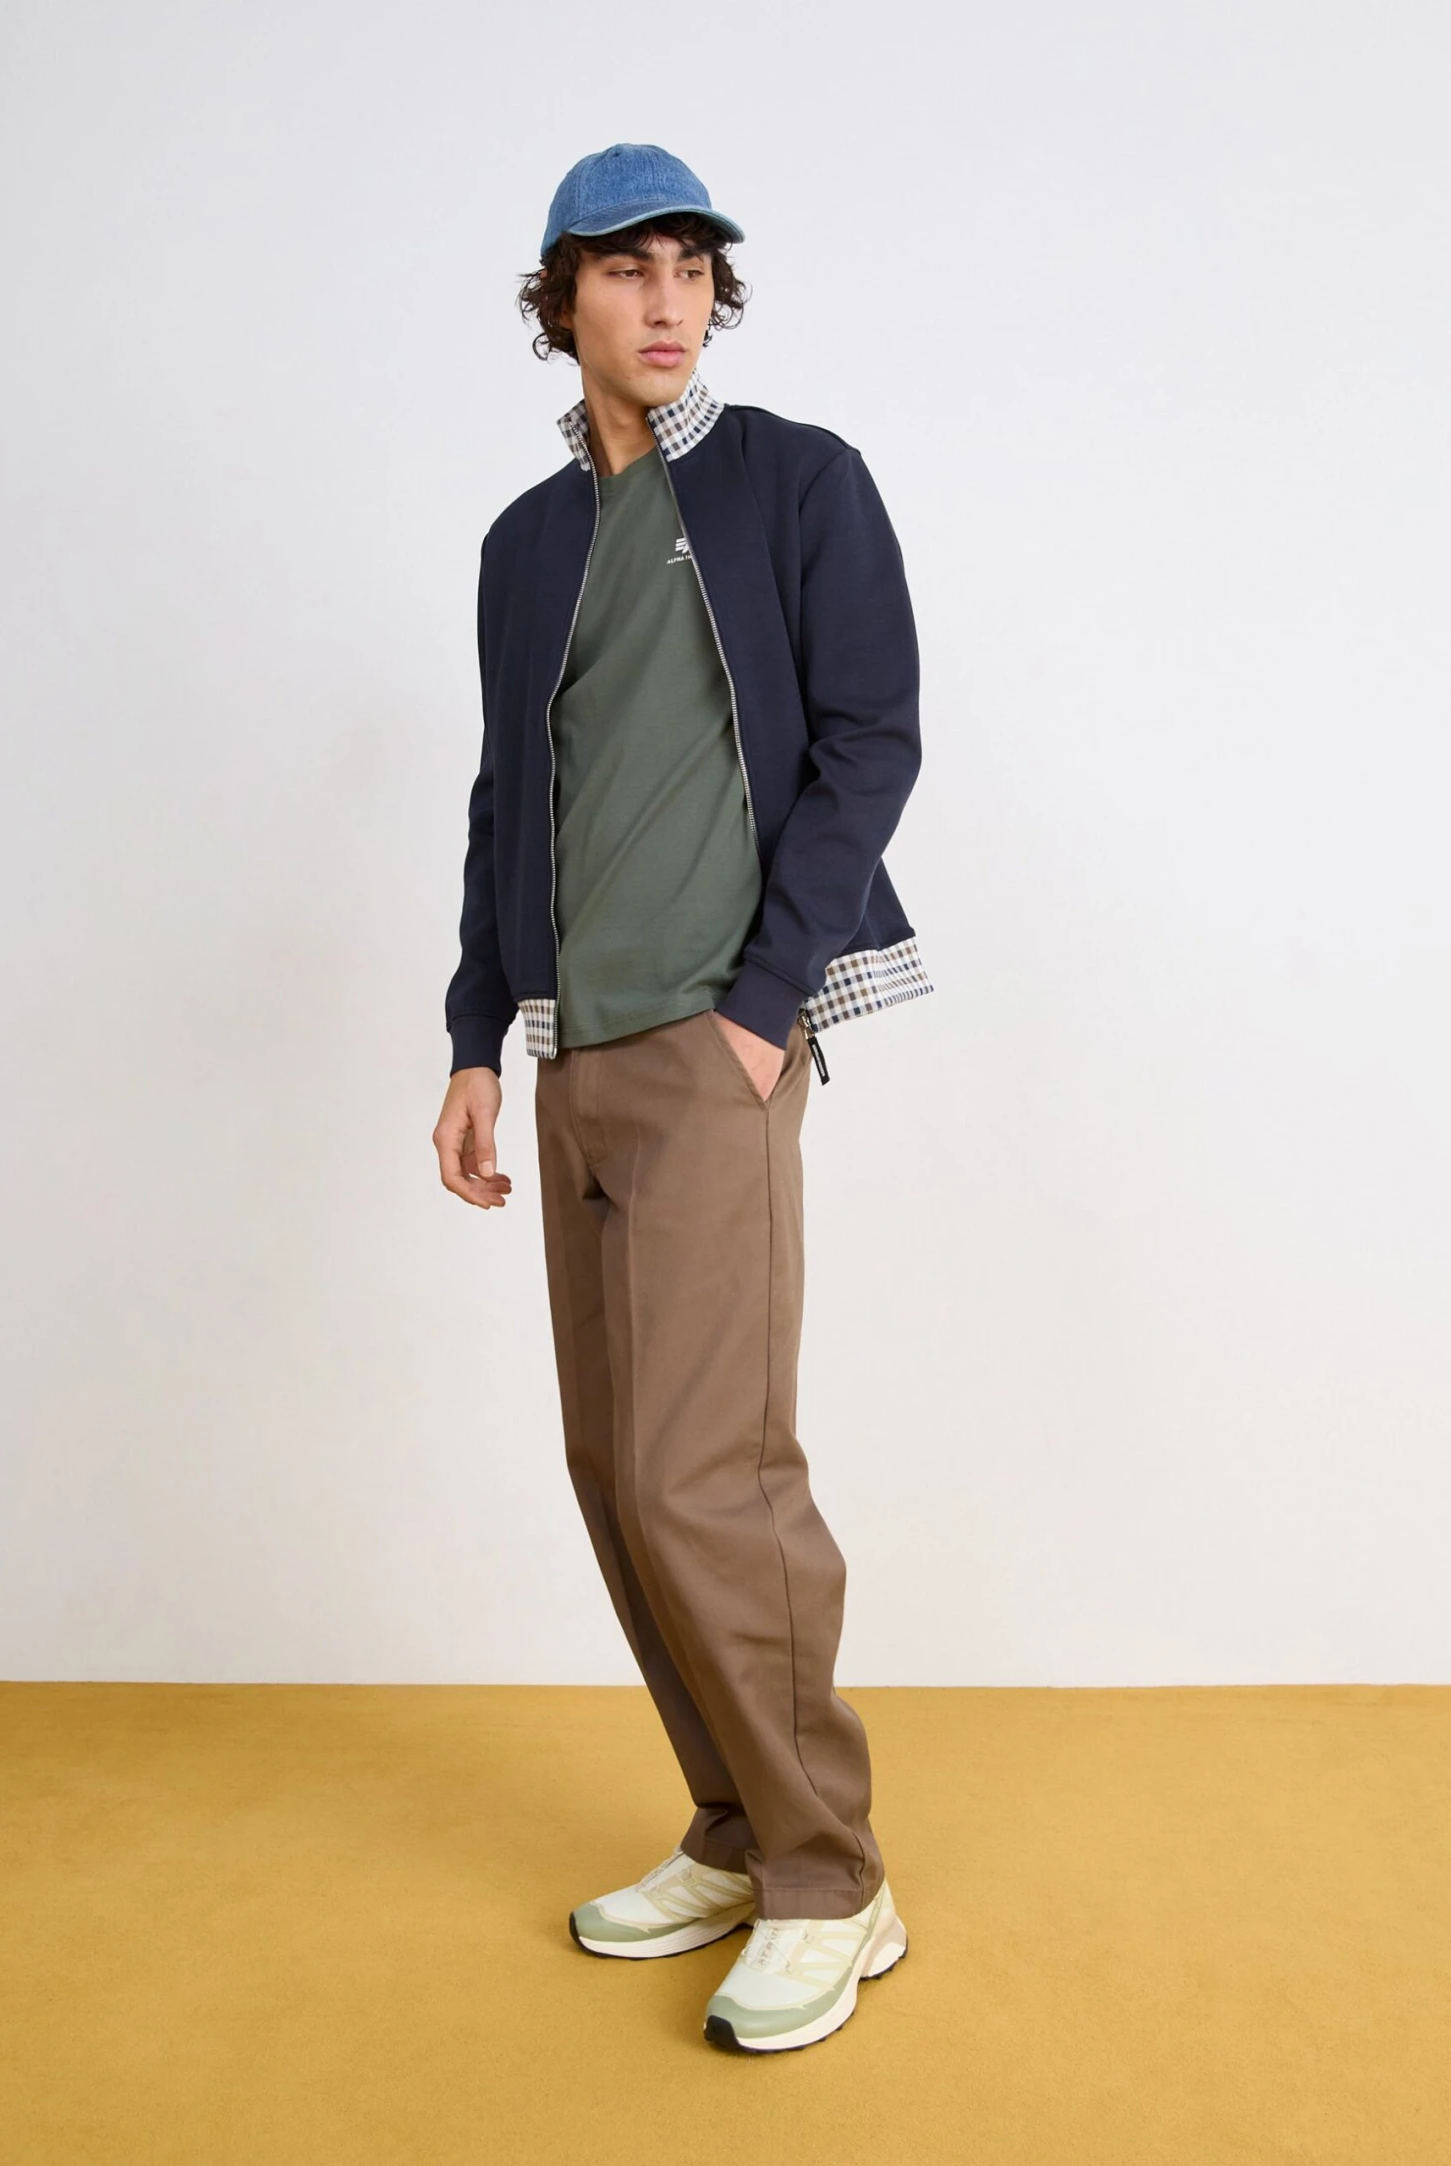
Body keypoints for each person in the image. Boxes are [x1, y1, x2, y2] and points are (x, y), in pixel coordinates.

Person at [432, 141, 932, 2054]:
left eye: (691, 268)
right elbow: (510, 799)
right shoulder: (525, 543)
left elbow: (872, 738)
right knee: (611, 1471)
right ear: (558, 298)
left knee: (707, 1475)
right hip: (574, 1054)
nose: (664, 301)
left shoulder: (799, 480)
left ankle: (831, 1872)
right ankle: (735, 1826)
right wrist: (475, 1040)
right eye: (625, 269)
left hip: (721, 1047)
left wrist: (762, 1007)